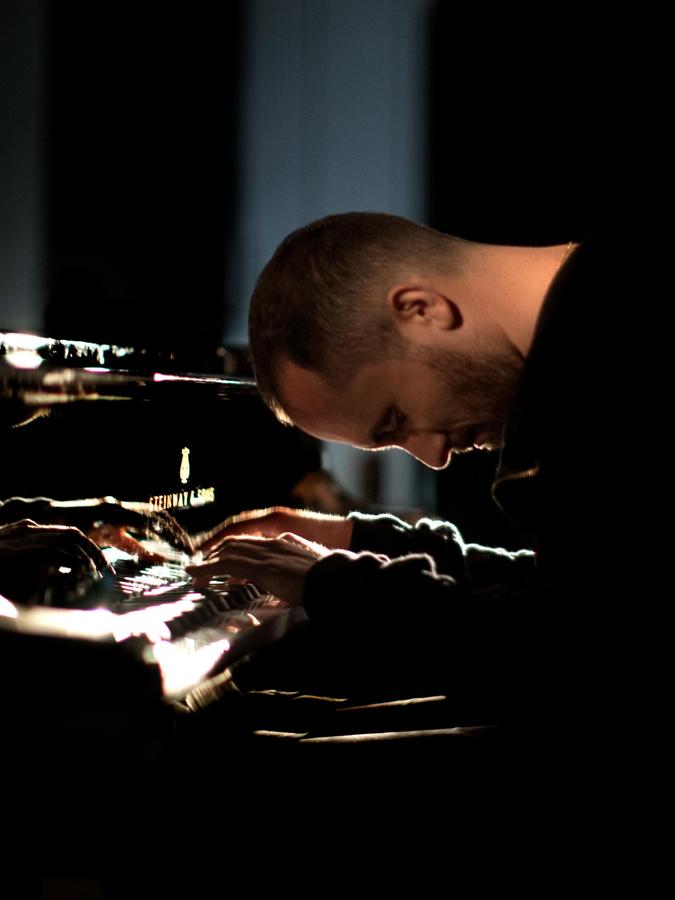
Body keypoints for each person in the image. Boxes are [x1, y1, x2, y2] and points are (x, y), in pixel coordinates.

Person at [187, 200, 671, 753]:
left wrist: (340, 586)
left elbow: (576, 653)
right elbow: (585, 592)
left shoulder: (624, 345)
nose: (433, 455)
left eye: (396, 419)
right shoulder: (600, 309)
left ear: (421, 309)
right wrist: (359, 540)